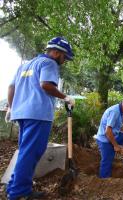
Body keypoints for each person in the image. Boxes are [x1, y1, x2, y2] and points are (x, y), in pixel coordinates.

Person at [5, 37, 76, 200]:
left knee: (25, 151)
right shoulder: (49, 63)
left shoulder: (24, 65)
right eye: (64, 57)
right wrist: (65, 97)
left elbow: (11, 87)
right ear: (56, 52)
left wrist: (11, 107)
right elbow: (46, 85)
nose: (64, 61)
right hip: (38, 114)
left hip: (22, 114)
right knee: (31, 152)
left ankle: (14, 186)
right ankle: (18, 192)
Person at [94, 93, 123, 178]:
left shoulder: (121, 110)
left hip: (114, 135)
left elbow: (116, 124)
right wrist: (116, 146)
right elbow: (108, 131)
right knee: (107, 160)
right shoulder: (115, 111)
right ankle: (104, 180)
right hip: (105, 139)